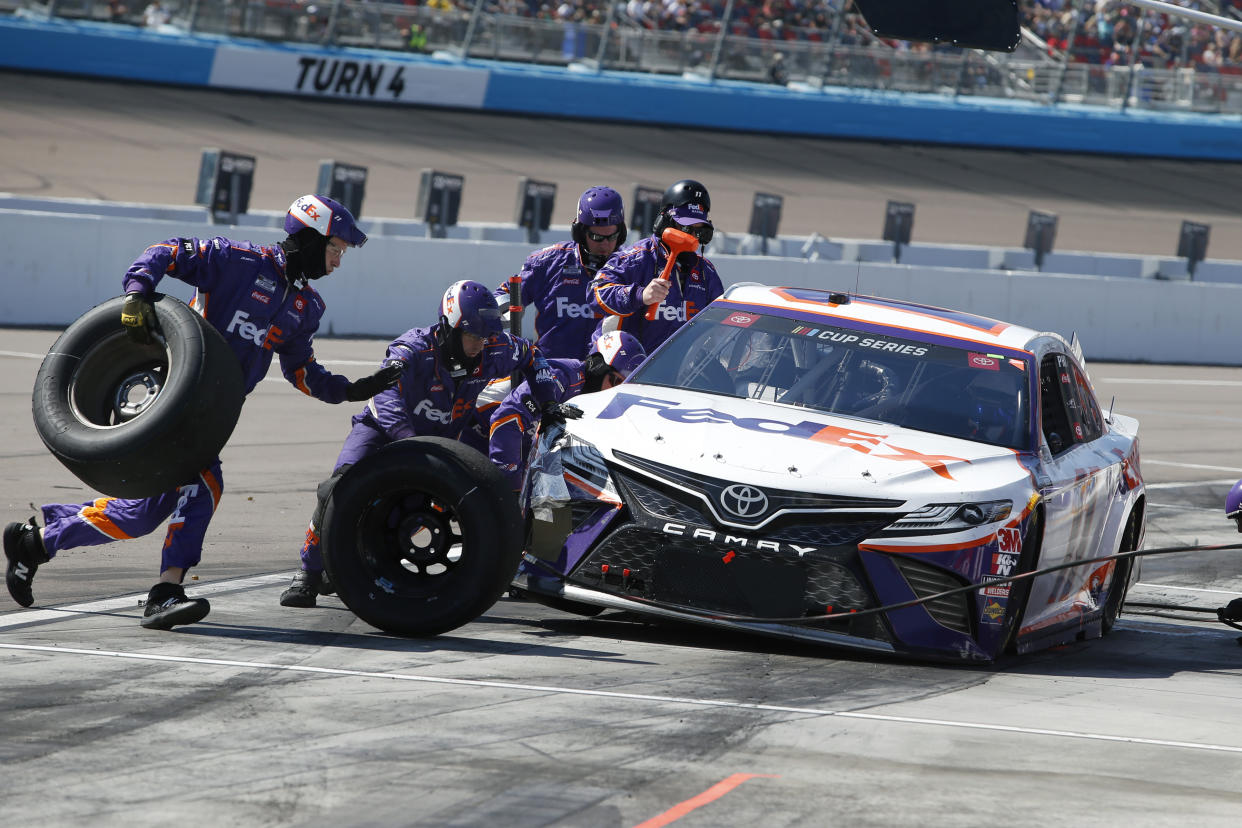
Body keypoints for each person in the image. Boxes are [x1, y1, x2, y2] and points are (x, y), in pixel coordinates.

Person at [3, 195, 400, 630]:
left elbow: (301, 371)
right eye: (335, 248)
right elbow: (165, 252)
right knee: (206, 482)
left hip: (215, 417)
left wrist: (351, 390)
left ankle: (35, 543)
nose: (338, 262)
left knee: (141, 515)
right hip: (172, 400)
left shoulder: (308, 308)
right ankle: (166, 593)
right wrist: (137, 294)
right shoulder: (238, 260)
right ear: (310, 237)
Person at [279, 279, 579, 608]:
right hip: (382, 431)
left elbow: (534, 357)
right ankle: (308, 573)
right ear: (448, 328)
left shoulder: (495, 348)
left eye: (484, 336)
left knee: (469, 493)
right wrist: (412, 446)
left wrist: (548, 403)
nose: (480, 344)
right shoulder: (411, 349)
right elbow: (386, 398)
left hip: (442, 442)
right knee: (335, 489)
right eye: (472, 335)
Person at [487, 330, 645, 491]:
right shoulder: (561, 376)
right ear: (598, 367)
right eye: (616, 381)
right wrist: (511, 487)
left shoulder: (602, 398)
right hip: (481, 439)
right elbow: (507, 419)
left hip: (518, 451)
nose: (616, 391)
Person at [588, 178, 724, 354]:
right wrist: (640, 295)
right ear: (664, 221)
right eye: (686, 227)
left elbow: (721, 320)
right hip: (624, 364)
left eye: (698, 230)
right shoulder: (636, 257)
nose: (692, 235)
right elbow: (595, 292)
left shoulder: (706, 272)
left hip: (677, 369)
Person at [494, 186, 627, 360]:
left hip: (604, 375)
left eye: (612, 236)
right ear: (580, 232)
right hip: (549, 372)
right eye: (597, 237)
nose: (605, 244)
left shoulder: (631, 266)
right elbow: (505, 296)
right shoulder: (547, 262)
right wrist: (499, 313)